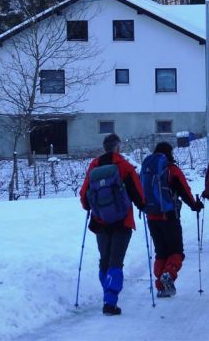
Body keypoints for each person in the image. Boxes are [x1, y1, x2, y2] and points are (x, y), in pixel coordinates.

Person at [79, 133, 145, 316]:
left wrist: (89, 207)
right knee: (116, 261)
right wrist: (143, 206)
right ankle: (110, 301)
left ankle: (107, 293)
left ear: (104, 147)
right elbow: (138, 194)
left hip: (100, 221)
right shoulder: (124, 166)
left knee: (105, 260)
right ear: (117, 147)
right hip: (122, 222)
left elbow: (85, 194)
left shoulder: (94, 165)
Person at [145, 142, 203, 297]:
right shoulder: (172, 170)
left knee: (161, 252)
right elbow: (185, 191)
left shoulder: (148, 170)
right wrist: (195, 205)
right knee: (176, 251)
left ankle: (161, 286)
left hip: (151, 216)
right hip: (169, 216)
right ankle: (168, 275)